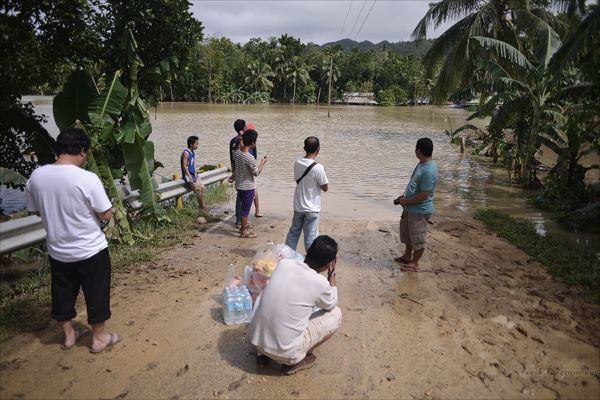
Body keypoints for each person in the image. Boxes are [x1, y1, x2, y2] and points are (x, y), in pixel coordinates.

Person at [25, 128, 121, 353]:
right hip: (91, 250)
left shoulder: (36, 177)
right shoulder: (87, 178)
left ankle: (69, 336)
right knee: (96, 292)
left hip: (58, 250)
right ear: (82, 151)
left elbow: (36, 211)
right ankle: (99, 338)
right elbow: (105, 214)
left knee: (62, 293)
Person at [249, 235, 342, 375]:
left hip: (256, 341)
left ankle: (263, 355)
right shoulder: (320, 283)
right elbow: (331, 304)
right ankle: (296, 360)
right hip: (285, 353)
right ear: (329, 263)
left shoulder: (285, 264)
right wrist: (332, 274)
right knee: (336, 313)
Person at [393, 137, 438, 272]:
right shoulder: (421, 164)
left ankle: (415, 262)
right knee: (407, 234)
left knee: (418, 237)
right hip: (409, 207)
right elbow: (414, 184)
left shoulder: (429, 170)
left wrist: (406, 201)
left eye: (415, 149)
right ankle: (407, 256)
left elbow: (424, 194)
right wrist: (404, 198)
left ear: (418, 150)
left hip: (419, 210)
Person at [285, 136, 329, 252]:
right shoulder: (319, 168)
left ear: (304, 148)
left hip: (299, 206)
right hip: (312, 208)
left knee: (293, 233)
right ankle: (311, 262)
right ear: (318, 150)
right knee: (310, 238)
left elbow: (297, 179)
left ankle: (287, 257)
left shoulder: (297, 162)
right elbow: (325, 188)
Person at [233, 129, 267, 238]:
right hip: (248, 187)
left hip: (239, 185)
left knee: (243, 207)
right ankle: (244, 232)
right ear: (253, 142)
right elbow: (256, 173)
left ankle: (243, 228)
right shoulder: (250, 157)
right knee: (245, 210)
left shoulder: (236, 153)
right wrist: (262, 163)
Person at [229, 121, 263, 227]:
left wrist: (234, 173)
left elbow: (232, 158)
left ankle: (239, 221)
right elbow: (256, 171)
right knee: (246, 205)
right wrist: (262, 163)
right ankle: (243, 227)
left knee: (240, 199)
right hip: (248, 178)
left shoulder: (234, 146)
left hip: (239, 176)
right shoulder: (248, 152)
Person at [181, 135, 205, 212]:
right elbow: (184, 166)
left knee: (202, 187)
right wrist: (189, 176)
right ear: (191, 144)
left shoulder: (193, 152)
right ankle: (202, 207)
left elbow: (192, 164)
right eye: (196, 143)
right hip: (188, 176)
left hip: (193, 174)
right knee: (198, 190)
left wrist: (195, 173)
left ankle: (201, 205)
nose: (198, 145)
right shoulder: (186, 153)